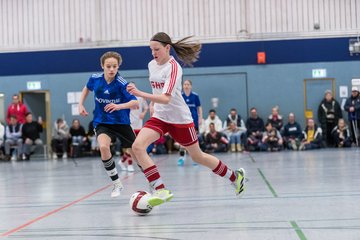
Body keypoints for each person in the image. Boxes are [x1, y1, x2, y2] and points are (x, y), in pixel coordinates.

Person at [127, 32, 245, 208]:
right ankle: (160, 189)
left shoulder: (174, 68)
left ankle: (235, 177)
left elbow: (167, 98)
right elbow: (158, 92)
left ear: (167, 48)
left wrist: (140, 94)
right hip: (160, 116)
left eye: (156, 49)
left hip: (179, 119)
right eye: (151, 49)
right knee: (137, 147)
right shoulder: (152, 65)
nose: (153, 53)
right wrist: (152, 104)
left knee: (198, 157)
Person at [78, 51, 139, 198]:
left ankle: (152, 182)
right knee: (104, 147)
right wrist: (80, 104)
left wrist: (119, 106)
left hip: (121, 122)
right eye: (108, 66)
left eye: (115, 66)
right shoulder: (95, 79)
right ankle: (117, 183)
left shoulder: (122, 83)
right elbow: (87, 88)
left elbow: (135, 102)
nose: (112, 69)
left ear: (118, 67)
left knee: (138, 153)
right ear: (102, 66)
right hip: (102, 122)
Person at [119, 83, 149, 172]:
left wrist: (143, 113)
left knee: (137, 146)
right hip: (129, 125)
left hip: (139, 125)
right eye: (129, 87)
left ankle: (122, 161)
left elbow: (146, 107)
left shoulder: (140, 98)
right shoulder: (125, 98)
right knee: (131, 146)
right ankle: (129, 164)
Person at [178, 79, 203, 166]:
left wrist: (200, 118)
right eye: (185, 84)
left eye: (188, 84)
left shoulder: (195, 96)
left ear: (191, 86)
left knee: (194, 140)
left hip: (194, 121)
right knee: (182, 139)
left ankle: (196, 159)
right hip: (183, 121)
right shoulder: (180, 95)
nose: (186, 86)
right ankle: (181, 157)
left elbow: (199, 107)